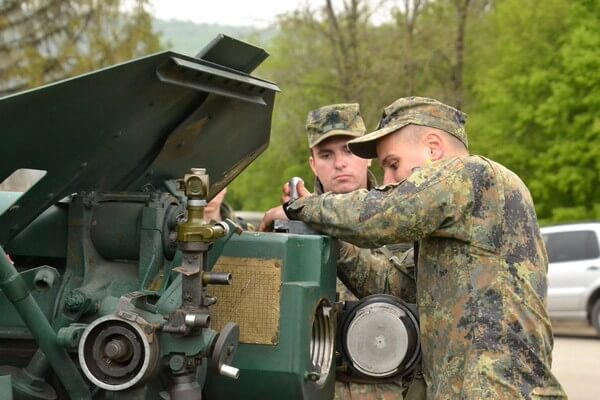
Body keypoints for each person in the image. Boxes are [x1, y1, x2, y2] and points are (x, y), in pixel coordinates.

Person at [261, 97, 567, 399]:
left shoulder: (474, 176)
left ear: (433, 147)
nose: (389, 180)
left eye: (393, 165)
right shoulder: (449, 222)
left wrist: (300, 207)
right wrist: (332, 242)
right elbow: (398, 290)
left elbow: (382, 214)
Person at [263, 103, 422, 399]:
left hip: (386, 386)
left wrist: (318, 222)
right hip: (309, 386)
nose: (339, 163)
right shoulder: (288, 226)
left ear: (368, 158)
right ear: (312, 164)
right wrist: (271, 230)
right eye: (326, 155)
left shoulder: (404, 217)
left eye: (349, 150)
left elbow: (412, 295)